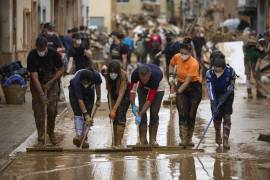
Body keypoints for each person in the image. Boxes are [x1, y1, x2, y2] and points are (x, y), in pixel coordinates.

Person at [27, 36, 64, 145]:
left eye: (43, 50)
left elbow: (62, 69)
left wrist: (51, 82)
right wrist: (42, 94)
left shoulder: (54, 54)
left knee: (52, 110)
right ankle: (41, 136)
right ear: (36, 47)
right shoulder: (32, 55)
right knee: (39, 112)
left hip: (51, 83)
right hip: (37, 85)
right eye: (39, 50)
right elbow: (34, 76)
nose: (41, 52)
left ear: (46, 46)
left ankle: (50, 132)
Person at [169, 42, 202, 147]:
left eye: (185, 53)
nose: (183, 55)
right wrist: (170, 75)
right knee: (182, 113)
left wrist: (176, 93)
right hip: (180, 84)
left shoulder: (194, 63)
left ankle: (189, 138)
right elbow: (171, 64)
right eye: (181, 52)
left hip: (194, 88)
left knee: (191, 114)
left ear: (190, 52)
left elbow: (187, 82)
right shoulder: (177, 57)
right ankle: (183, 139)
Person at [206, 53, 236, 149]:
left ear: (223, 68)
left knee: (227, 117)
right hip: (215, 95)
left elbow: (231, 87)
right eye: (215, 69)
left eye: (219, 70)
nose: (217, 72)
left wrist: (224, 98)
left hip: (227, 96)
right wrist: (214, 104)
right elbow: (210, 89)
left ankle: (226, 140)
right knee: (216, 116)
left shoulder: (230, 71)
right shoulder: (209, 73)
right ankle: (217, 134)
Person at [130, 64, 165, 146]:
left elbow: (149, 100)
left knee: (154, 112)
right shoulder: (135, 74)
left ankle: (152, 140)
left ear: (149, 75)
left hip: (158, 88)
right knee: (141, 107)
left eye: (146, 79)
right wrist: (133, 105)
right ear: (139, 75)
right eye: (142, 79)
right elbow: (132, 91)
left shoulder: (155, 77)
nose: (144, 80)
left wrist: (139, 114)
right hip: (142, 88)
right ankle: (143, 139)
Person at [69, 69, 102, 148]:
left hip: (89, 92)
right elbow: (80, 100)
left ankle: (84, 137)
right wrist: (85, 115)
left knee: (89, 113)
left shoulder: (96, 76)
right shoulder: (76, 82)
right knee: (78, 112)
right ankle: (79, 136)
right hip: (74, 93)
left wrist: (98, 98)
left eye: (87, 83)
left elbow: (98, 86)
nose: (85, 84)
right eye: (83, 83)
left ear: (91, 81)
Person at [101, 60, 130, 147]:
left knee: (120, 115)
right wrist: (112, 109)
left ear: (118, 71)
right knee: (114, 117)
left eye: (115, 72)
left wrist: (114, 109)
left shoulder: (123, 76)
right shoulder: (107, 74)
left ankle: (118, 142)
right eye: (111, 72)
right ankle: (114, 141)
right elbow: (109, 90)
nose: (113, 74)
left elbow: (121, 94)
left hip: (124, 96)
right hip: (112, 94)